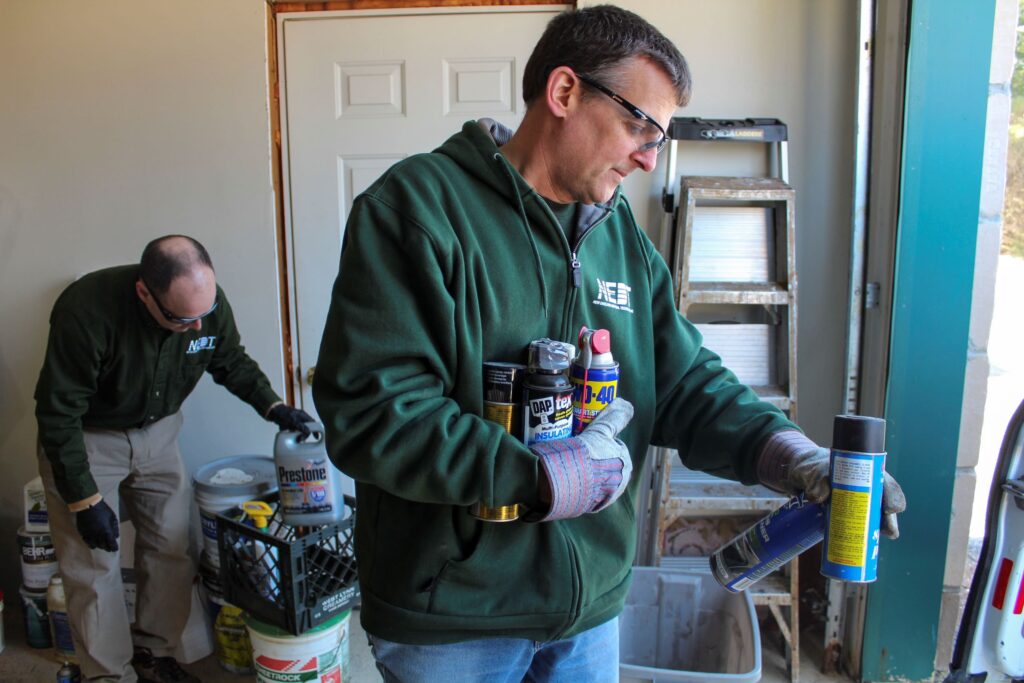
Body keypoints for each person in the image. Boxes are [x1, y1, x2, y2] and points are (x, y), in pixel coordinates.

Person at [312, 5, 907, 682]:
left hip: (589, 610)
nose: (650, 157)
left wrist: (795, 457)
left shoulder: (620, 238)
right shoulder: (418, 211)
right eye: (639, 125)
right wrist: (540, 476)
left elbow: (685, 383)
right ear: (564, 92)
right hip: (453, 617)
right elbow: (375, 414)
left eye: (660, 135)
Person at [34, 235, 313, 682]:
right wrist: (84, 501)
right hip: (88, 437)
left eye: (204, 315)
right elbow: (58, 412)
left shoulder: (204, 304)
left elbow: (230, 360)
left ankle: (154, 654)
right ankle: (109, 674)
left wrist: (273, 407)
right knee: (93, 562)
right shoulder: (85, 311)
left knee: (170, 547)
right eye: (183, 319)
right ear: (145, 292)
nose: (199, 327)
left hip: (159, 433)